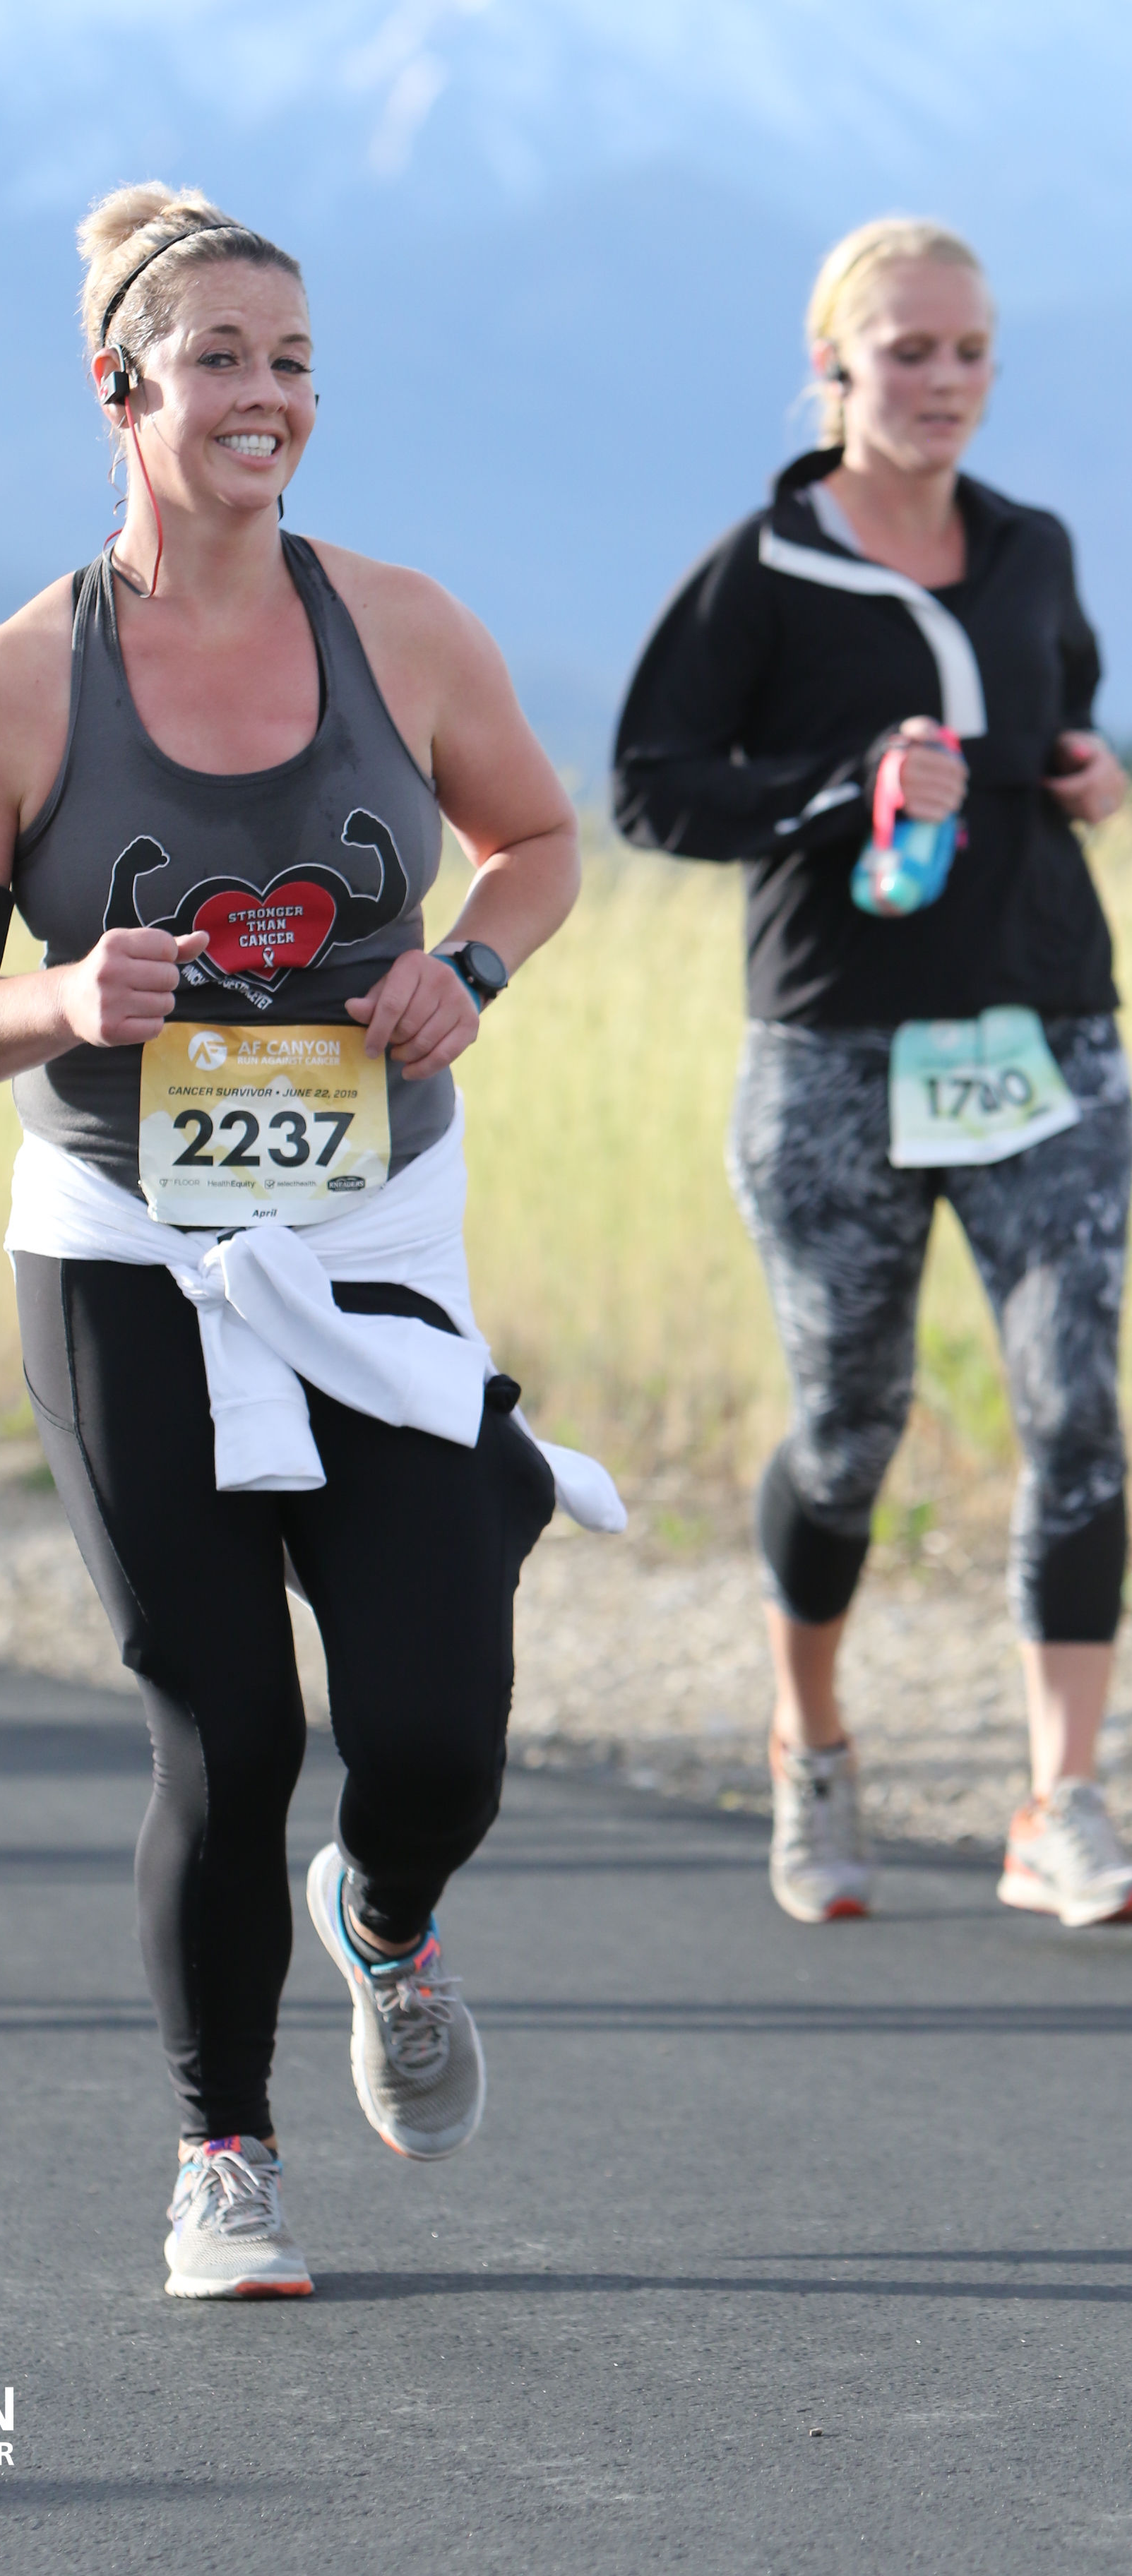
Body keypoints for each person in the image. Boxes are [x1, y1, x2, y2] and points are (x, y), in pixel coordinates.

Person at [0, 184, 621, 2296]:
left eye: (292, 362)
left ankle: (384, 1916)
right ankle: (227, 2155)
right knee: (230, 1726)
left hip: (372, 1234)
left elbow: (538, 842)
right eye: (219, 360)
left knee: (437, 1732)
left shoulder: (405, 627)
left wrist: (472, 967)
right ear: (118, 388)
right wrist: (52, 1001)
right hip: (124, 1249)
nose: (264, 395)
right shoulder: (16, 685)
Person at [613, 217, 1132, 1930]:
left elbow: (1064, 712)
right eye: (908, 351)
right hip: (833, 1053)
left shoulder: (1032, 546)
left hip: (1043, 1036)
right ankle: (811, 1745)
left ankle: (1060, 1801)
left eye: (970, 351)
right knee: (850, 1429)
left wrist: (1089, 773)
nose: (944, 382)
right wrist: (846, 785)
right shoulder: (764, 568)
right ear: (832, 362)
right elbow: (652, 790)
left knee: (1076, 1414)